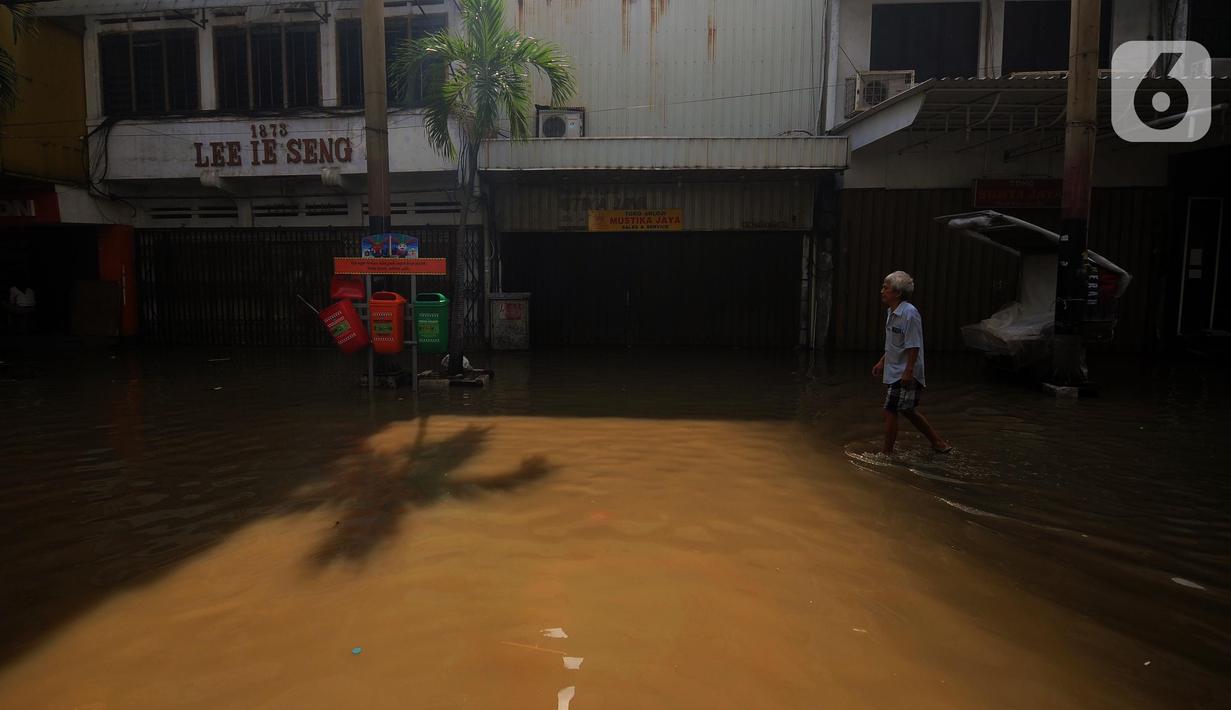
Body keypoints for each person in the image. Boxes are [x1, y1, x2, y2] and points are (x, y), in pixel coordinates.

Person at [872, 271, 951, 455]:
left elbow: (914, 345)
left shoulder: (910, 313)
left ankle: (886, 454)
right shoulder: (891, 312)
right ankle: (938, 443)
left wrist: (908, 371)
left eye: (886, 287)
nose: (882, 290)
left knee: (891, 410)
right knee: (907, 410)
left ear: (897, 293)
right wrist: (882, 362)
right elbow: (894, 344)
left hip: (906, 370)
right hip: (895, 369)